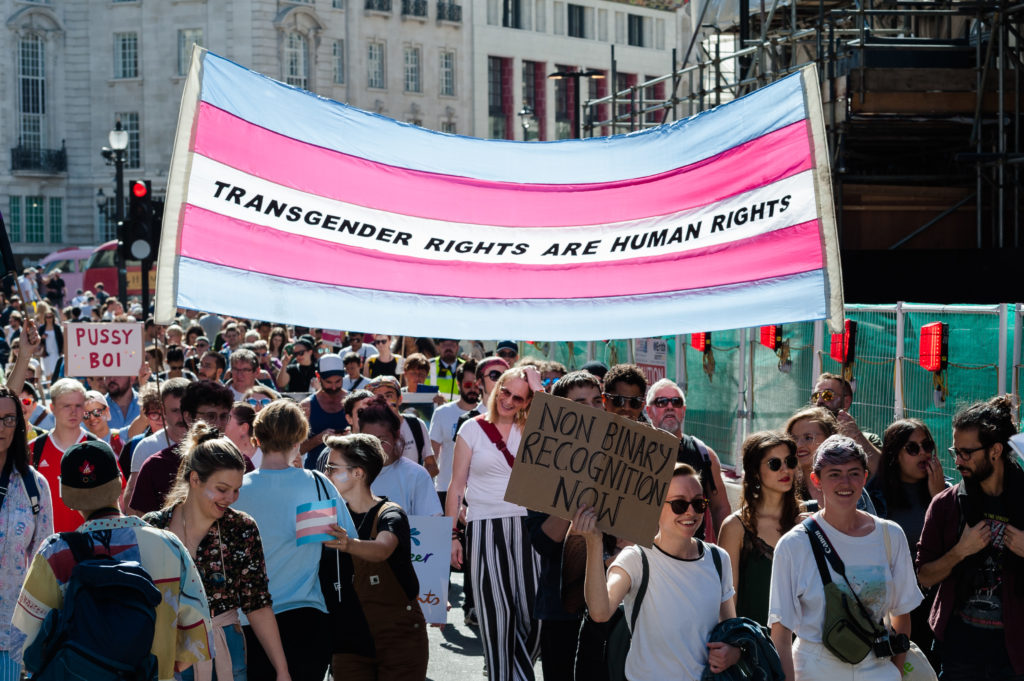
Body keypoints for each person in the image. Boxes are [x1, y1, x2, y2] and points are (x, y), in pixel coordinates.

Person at [12, 440, 213, 680]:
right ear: (120, 482)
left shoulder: (55, 554)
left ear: (65, 492)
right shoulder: (169, 546)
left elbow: (26, 641)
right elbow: (197, 639)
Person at [144, 424, 291, 681]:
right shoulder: (154, 526)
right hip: (164, 652)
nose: (231, 498)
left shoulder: (241, 528)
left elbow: (256, 603)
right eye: (223, 489)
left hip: (223, 650)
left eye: (236, 490)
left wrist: (282, 670)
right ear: (195, 479)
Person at [769, 435, 922, 681]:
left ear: (865, 476)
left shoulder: (890, 535)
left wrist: (894, 670)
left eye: (853, 473)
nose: (845, 482)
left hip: (878, 666)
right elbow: (781, 632)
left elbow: (901, 615)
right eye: (834, 474)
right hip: (814, 669)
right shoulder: (793, 545)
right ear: (816, 480)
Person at [572, 463, 741, 681]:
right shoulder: (636, 559)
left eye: (699, 503)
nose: (691, 511)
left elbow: (731, 631)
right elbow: (600, 612)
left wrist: (733, 653)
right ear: (655, 508)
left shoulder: (719, 559)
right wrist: (594, 543)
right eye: (679, 504)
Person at [233, 400, 358, 681]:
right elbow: (347, 541)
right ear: (300, 438)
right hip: (307, 616)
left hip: (247, 620)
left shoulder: (236, 490)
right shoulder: (316, 483)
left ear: (256, 438)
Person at [917, 395, 1024, 680]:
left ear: (996, 450)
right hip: (959, 653)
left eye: (967, 453)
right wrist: (959, 552)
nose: (957, 461)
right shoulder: (945, 505)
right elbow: (923, 577)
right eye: (955, 451)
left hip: (1017, 654)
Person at [447, 366, 544, 681]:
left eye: (519, 397)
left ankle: (511, 671)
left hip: (528, 528)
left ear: (527, 401)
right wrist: (452, 536)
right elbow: (456, 487)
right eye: (505, 391)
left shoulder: (531, 427)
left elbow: (556, 425)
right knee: (496, 615)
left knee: (537, 616)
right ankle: (504, 673)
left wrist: (537, 384)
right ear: (496, 388)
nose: (509, 400)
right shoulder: (471, 429)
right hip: (485, 526)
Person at [320, 433, 428, 679]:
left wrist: (349, 544)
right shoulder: (330, 516)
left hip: (397, 640)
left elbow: (382, 549)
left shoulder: (390, 514)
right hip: (347, 641)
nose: (326, 475)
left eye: (332, 468)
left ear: (358, 473)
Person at [865, 419, 946, 665]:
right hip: (888, 604)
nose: (923, 453)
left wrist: (939, 498)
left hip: (930, 603)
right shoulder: (874, 494)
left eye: (927, 446)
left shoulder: (945, 491)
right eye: (912, 449)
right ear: (894, 455)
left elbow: (953, 546)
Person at [718, 431, 802, 626]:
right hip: (752, 644)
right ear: (755, 471)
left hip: (801, 646)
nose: (785, 470)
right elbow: (728, 600)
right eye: (775, 464)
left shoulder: (807, 520)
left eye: (790, 461)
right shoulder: (735, 526)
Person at [0, 386, 53, 680]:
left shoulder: (35, 485)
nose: (1, 427)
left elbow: (45, 565)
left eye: (9, 419)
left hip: (13, 638)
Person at [130, 380, 241, 515]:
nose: (218, 423)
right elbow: (143, 524)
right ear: (188, 417)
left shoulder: (240, 463)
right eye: (210, 416)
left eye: (223, 416)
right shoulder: (156, 465)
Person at [645, 378, 731, 541]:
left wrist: (724, 555)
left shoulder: (705, 455)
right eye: (662, 402)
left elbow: (720, 508)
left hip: (691, 556)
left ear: (683, 410)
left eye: (676, 402)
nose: (670, 407)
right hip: (647, 554)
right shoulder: (637, 451)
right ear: (649, 411)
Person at [357, 395, 442, 516]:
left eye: (381, 440)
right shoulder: (349, 474)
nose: (375, 447)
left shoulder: (417, 475)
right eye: (368, 440)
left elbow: (431, 526)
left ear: (395, 436)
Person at [28, 378, 92, 533]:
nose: (73, 411)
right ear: (52, 408)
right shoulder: (33, 449)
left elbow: (118, 495)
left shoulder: (98, 448)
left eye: (78, 405)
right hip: (45, 545)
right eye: (66, 406)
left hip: (90, 544)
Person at [785, 407, 877, 515]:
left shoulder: (852, 486)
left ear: (829, 438)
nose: (799, 445)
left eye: (808, 437)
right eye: (794, 439)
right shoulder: (786, 489)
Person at [429, 359, 480, 509]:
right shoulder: (442, 413)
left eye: (476, 385)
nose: (473, 389)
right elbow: (433, 454)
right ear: (458, 385)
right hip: (446, 488)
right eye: (467, 385)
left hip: (477, 491)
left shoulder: (489, 414)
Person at [811, 372, 882, 475]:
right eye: (816, 396)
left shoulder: (868, 440)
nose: (819, 401)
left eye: (827, 395)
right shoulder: (803, 438)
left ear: (846, 402)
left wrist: (856, 436)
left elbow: (883, 471)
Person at [299, 354, 349, 468]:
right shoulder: (307, 406)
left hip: (347, 471)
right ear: (318, 376)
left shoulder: (353, 402)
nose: (333, 387)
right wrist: (319, 439)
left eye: (338, 381)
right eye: (328, 382)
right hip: (315, 471)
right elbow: (298, 450)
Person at [82, 390, 126, 459]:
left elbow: (142, 421)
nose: (92, 418)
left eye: (97, 412)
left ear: (107, 411)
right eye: (86, 414)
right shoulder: (81, 445)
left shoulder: (120, 436)